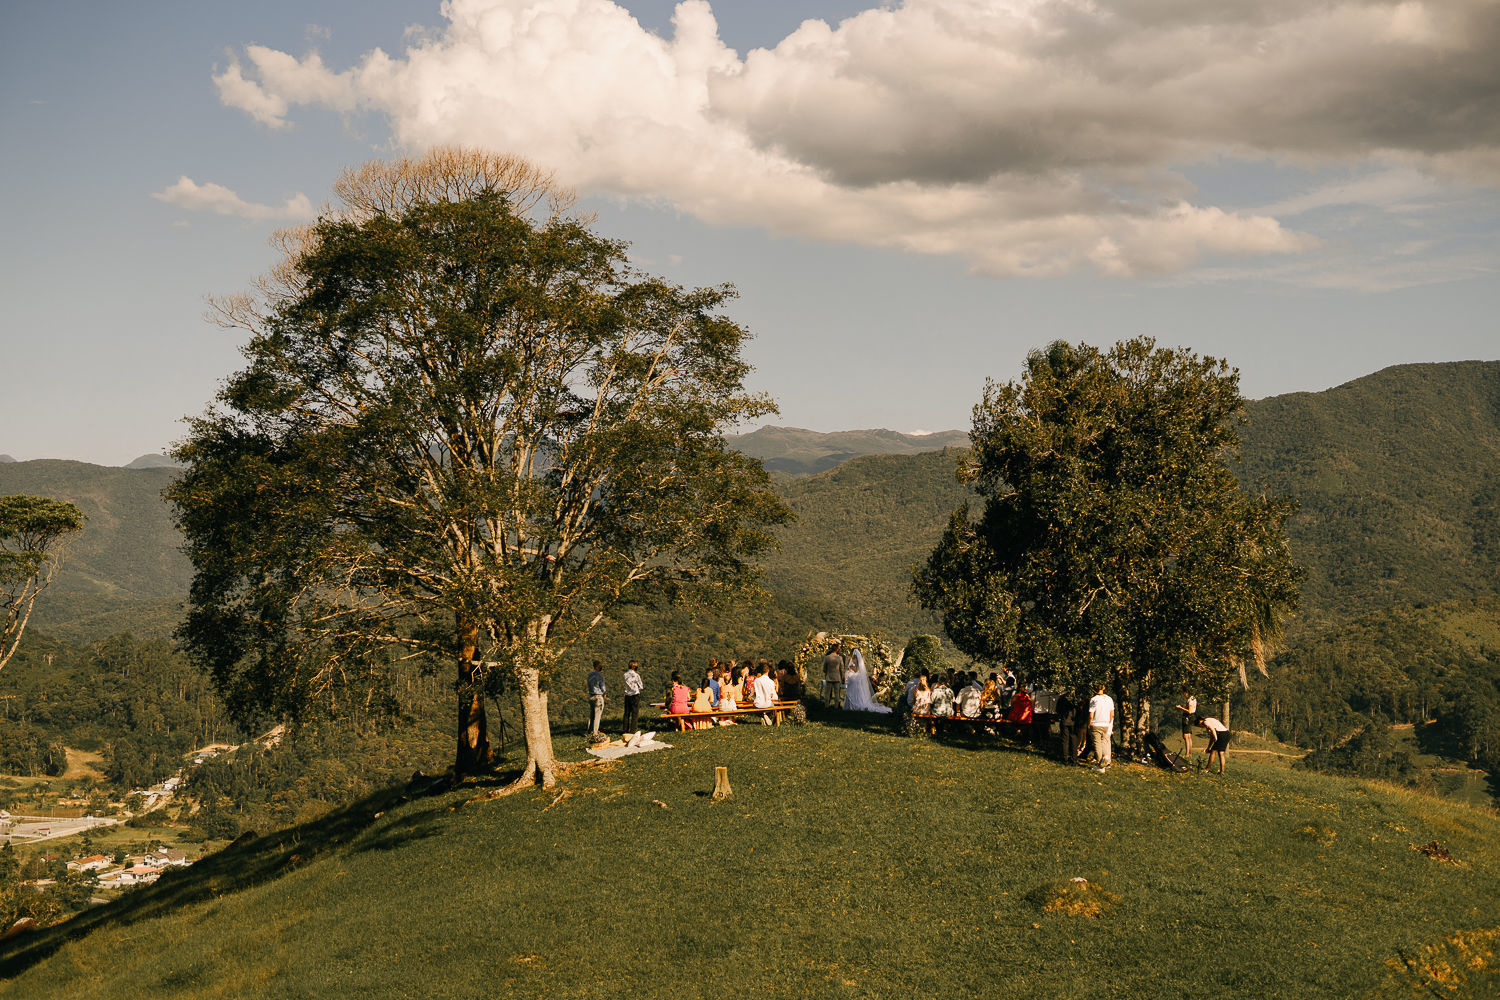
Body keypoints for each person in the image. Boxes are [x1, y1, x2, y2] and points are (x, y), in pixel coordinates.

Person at [843, 649, 892, 714]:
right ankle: (850, 706)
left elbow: (859, 677)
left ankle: (854, 706)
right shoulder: (852, 667)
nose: (852, 660)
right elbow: (847, 676)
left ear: (856, 659)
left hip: (856, 686)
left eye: (853, 659)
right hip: (852, 685)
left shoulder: (859, 668)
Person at [1087, 684, 1115, 771]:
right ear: (1104, 688)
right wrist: (1108, 722)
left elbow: (1091, 715)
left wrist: (1089, 724)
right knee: (1104, 742)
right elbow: (1112, 714)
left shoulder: (1094, 699)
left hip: (1096, 724)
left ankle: (1100, 764)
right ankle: (1106, 758)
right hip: (1105, 724)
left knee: (1097, 744)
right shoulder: (1109, 699)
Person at [1173, 691, 1198, 758]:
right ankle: (1190, 753)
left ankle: (1187, 753)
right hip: (1191, 717)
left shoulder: (1190, 700)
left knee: (1186, 736)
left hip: (1187, 717)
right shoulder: (1193, 699)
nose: (1184, 694)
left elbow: (1189, 711)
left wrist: (1180, 707)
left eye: (1184, 693)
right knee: (1189, 736)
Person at [622, 660, 644, 734]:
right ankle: (632, 730)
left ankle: (625, 729)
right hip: (635, 695)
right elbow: (641, 686)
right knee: (635, 713)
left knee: (626, 713)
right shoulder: (637, 675)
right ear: (634, 666)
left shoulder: (625, 675)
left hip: (627, 695)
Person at [586, 660, 607, 735]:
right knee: (597, 716)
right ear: (598, 666)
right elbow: (603, 687)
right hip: (598, 696)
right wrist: (604, 693)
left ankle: (589, 731)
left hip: (591, 696)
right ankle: (595, 733)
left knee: (592, 716)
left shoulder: (590, 675)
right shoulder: (600, 676)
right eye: (600, 665)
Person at [822, 641, 846, 706]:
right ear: (837, 649)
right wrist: (843, 677)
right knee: (837, 693)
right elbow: (842, 669)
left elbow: (824, 669)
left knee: (827, 693)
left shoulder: (827, 658)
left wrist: (827, 673)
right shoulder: (839, 658)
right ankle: (836, 706)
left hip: (829, 677)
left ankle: (826, 706)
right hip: (837, 677)